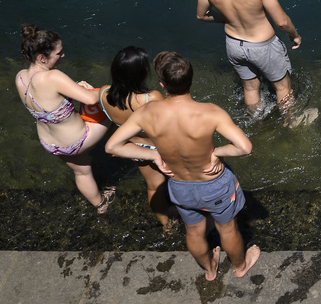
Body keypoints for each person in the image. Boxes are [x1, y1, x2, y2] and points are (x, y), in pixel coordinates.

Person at [107, 52, 260, 280]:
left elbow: (113, 146)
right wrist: (217, 152)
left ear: (162, 84)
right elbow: (244, 147)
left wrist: (154, 156)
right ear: (191, 79)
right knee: (227, 228)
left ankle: (209, 270)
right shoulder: (210, 112)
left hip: (179, 185)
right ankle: (240, 267)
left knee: (194, 231)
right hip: (213, 183)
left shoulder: (146, 113)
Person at [196, 0, 308, 118]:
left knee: (250, 87)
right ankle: (291, 123)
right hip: (262, 46)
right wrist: (295, 35)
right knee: (282, 87)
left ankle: (257, 123)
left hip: (234, 45)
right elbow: (282, 21)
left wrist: (226, 19)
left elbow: (202, 15)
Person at [12, 25, 112, 213]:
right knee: (113, 112)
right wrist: (112, 90)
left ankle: (101, 205)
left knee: (82, 171)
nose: (63, 55)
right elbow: (91, 98)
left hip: (51, 144)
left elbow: (47, 100)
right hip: (76, 141)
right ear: (42, 58)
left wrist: (74, 88)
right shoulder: (53, 76)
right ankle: (123, 151)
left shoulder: (20, 78)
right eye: (59, 53)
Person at [93, 47, 171, 230]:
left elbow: (113, 121)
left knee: (153, 186)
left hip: (133, 147)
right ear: (141, 74)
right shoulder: (150, 97)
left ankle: (166, 223)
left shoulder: (104, 93)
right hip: (157, 147)